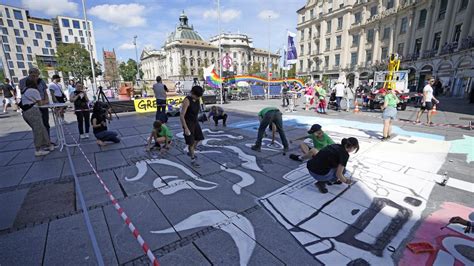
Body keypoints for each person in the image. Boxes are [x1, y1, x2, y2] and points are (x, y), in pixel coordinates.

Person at [19, 78, 54, 156]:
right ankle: (38, 149)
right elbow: (41, 103)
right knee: (38, 130)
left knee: (42, 128)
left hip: (26, 112)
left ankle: (48, 144)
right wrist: (46, 98)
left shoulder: (25, 90)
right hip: (33, 111)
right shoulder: (34, 91)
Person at [19, 68, 51, 137]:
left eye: (37, 75)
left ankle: (48, 140)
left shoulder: (41, 81)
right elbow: (23, 94)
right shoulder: (23, 81)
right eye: (33, 76)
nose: (36, 77)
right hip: (32, 106)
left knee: (46, 123)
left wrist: (46, 100)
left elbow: (45, 92)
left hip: (43, 104)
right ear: (29, 74)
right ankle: (42, 142)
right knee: (37, 126)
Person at [180, 85, 205, 167]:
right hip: (188, 123)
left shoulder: (197, 99)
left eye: (199, 96)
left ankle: (191, 151)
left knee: (199, 138)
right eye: (197, 96)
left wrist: (202, 118)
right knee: (191, 142)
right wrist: (186, 128)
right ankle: (193, 159)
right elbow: (182, 115)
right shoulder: (187, 100)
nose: (198, 97)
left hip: (195, 122)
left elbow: (197, 111)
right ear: (193, 93)